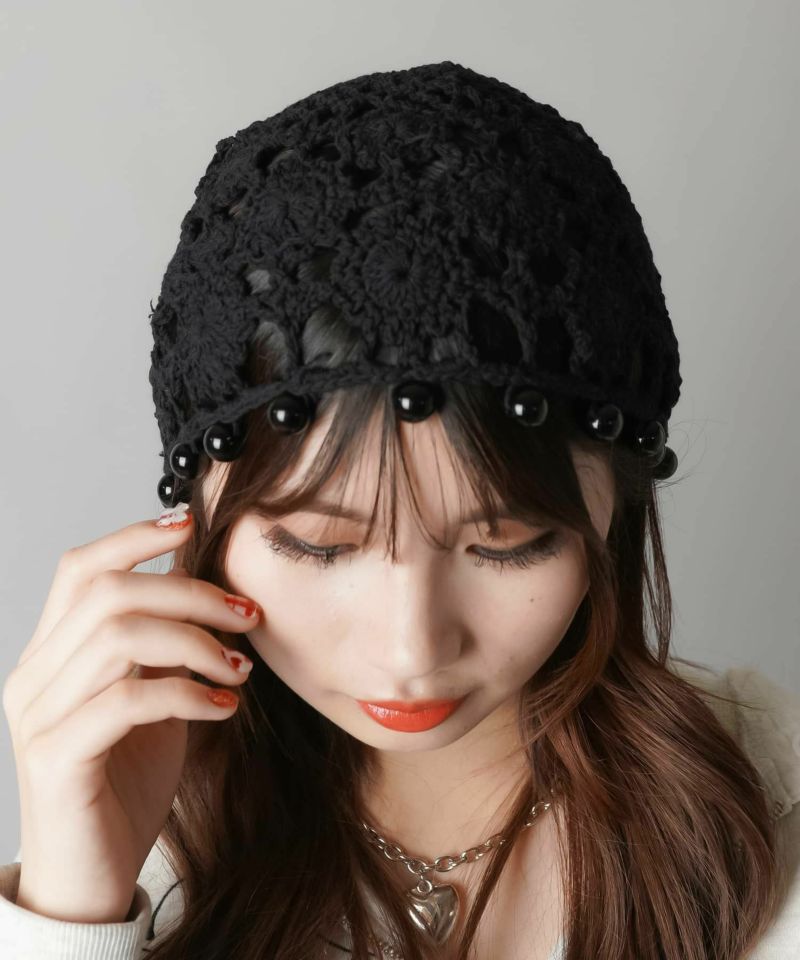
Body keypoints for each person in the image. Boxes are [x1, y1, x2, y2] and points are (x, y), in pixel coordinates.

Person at [1, 60, 798, 960]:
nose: (411, 652)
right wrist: (73, 913)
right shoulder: (137, 844)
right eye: (318, 545)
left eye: (506, 544)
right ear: (203, 507)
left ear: (616, 507)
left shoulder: (773, 816)